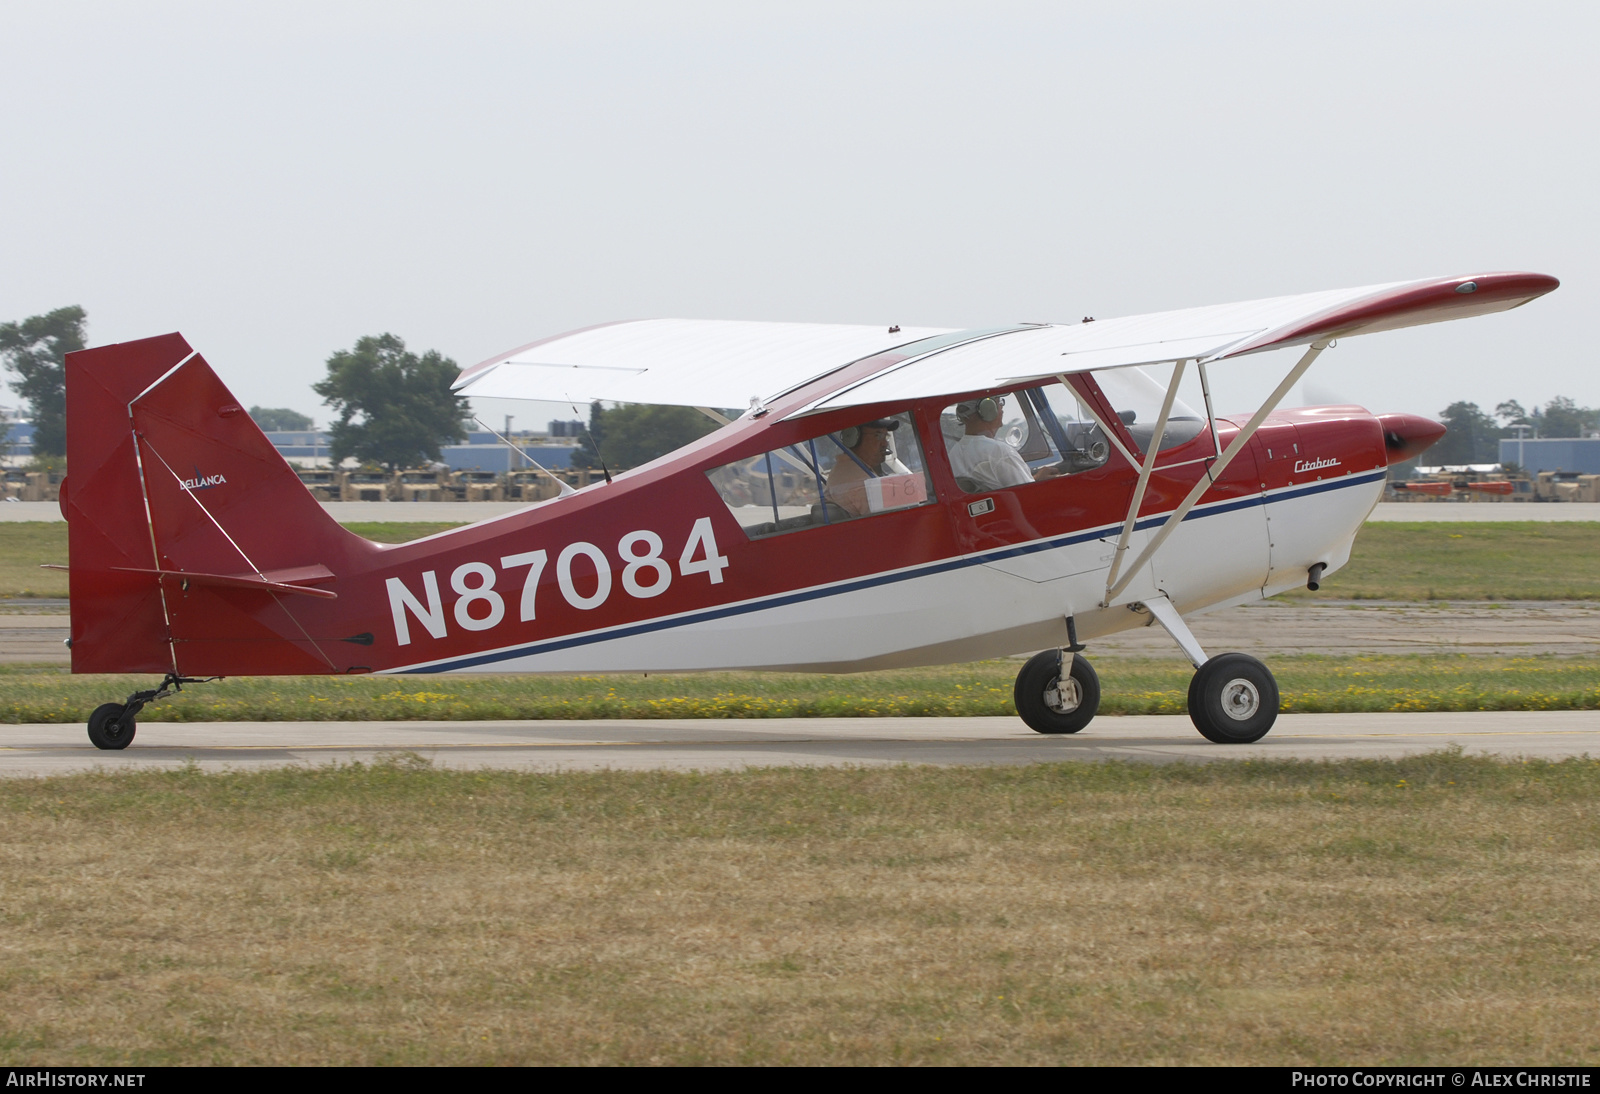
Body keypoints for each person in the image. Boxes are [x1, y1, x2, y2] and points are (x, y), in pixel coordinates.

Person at [947, 396, 1062, 490]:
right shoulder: (999, 452)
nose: (1002, 407)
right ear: (988, 410)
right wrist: (1039, 479)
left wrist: (1035, 478)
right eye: (998, 402)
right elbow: (1027, 492)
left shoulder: (954, 453)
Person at [824, 419, 910, 517]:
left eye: (885, 437)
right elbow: (894, 518)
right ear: (852, 438)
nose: (885, 443)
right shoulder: (854, 478)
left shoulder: (854, 468)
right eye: (878, 436)